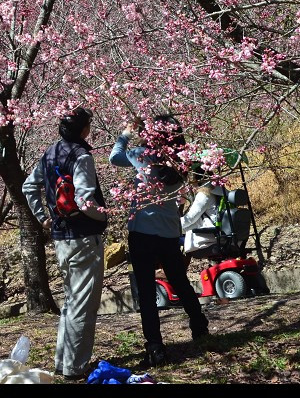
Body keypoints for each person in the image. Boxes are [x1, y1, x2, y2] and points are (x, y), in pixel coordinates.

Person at [109, 115, 209, 368]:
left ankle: (155, 345)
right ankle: (199, 326)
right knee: (179, 281)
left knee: (145, 289)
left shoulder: (142, 155)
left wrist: (126, 133)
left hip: (143, 230)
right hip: (169, 231)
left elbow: (114, 157)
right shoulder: (181, 160)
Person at [22, 106, 108, 381]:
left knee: (72, 302)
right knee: (83, 304)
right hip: (83, 238)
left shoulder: (50, 153)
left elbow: (28, 186)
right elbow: (84, 201)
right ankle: (74, 367)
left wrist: (42, 218)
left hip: (61, 239)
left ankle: (62, 362)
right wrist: (104, 215)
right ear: (84, 129)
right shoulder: (81, 156)